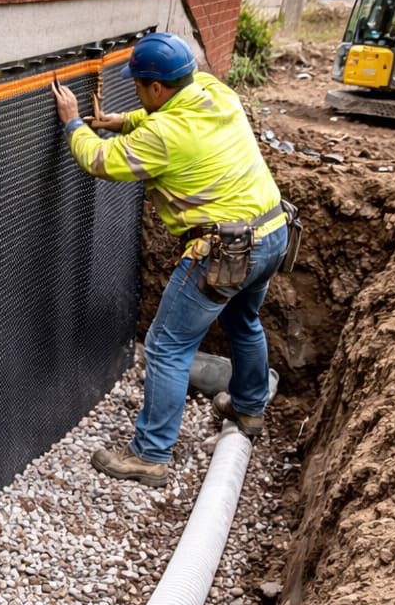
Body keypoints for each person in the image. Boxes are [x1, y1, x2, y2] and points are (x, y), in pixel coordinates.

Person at [49, 32, 290, 487]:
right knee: (244, 321)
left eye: (140, 84)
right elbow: (165, 120)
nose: (138, 90)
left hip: (226, 250)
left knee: (167, 346)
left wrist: (72, 124)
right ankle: (249, 408)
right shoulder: (216, 92)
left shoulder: (165, 134)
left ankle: (150, 455)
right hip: (272, 233)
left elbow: (100, 161)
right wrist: (122, 121)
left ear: (157, 88)